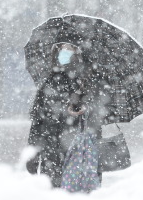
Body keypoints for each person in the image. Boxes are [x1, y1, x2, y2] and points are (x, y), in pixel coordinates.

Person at [26, 40, 107, 188]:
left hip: (78, 156)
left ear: (78, 53)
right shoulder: (49, 81)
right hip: (51, 153)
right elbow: (38, 121)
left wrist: (84, 109)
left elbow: (96, 124)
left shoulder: (87, 81)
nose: (64, 53)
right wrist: (33, 154)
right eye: (61, 49)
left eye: (69, 49)